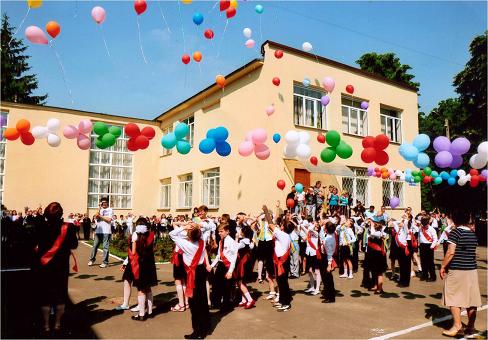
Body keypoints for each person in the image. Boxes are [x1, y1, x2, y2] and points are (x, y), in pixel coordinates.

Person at [35, 202, 78, 335]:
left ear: (46, 213)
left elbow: (35, 243)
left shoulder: (41, 226)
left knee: (45, 296)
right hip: (61, 266)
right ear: (61, 213)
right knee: (60, 295)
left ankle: (46, 325)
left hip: (45, 266)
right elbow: (74, 245)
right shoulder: (68, 227)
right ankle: (58, 324)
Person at [440, 210, 481, 338]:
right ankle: (471, 327)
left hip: (458, 269)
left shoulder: (455, 232)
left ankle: (457, 326)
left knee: (453, 297)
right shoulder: (472, 234)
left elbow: (450, 252)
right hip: (472, 270)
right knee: (471, 299)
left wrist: (443, 266)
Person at [170, 222, 210, 339]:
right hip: (201, 271)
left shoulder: (185, 244)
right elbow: (209, 227)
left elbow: (172, 234)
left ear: (189, 235)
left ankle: (197, 332)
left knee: (194, 303)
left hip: (192, 274)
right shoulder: (201, 241)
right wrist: (197, 226)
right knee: (202, 300)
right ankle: (205, 327)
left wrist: (184, 226)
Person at [129, 218, 157, 321]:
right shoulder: (151, 235)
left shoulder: (136, 236)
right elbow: (153, 247)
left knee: (141, 290)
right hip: (150, 264)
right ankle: (150, 312)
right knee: (148, 288)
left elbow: (133, 252)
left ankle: (141, 314)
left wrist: (133, 241)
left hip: (140, 265)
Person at [210, 223, 238, 313]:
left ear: (227, 231)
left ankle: (226, 306)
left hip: (228, 266)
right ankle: (216, 303)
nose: (219, 233)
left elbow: (234, 258)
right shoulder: (221, 241)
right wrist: (211, 265)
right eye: (218, 232)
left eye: (221, 231)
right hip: (221, 265)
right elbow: (218, 256)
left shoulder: (231, 242)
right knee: (216, 285)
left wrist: (230, 271)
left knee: (226, 287)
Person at [88, 198, 113, 268]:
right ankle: (92, 260)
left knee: (105, 247)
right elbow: (96, 216)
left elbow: (109, 219)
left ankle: (105, 262)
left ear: (107, 203)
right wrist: (99, 208)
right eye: (102, 203)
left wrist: (100, 216)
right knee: (94, 246)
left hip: (106, 231)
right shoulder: (100, 210)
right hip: (98, 231)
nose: (103, 204)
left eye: (105, 202)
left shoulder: (110, 210)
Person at [235, 225, 256, 309]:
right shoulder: (250, 241)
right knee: (242, 282)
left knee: (239, 282)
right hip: (246, 262)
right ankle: (244, 299)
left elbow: (235, 247)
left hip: (242, 263)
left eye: (241, 231)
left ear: (243, 233)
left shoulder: (243, 241)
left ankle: (250, 299)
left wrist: (236, 238)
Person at [320, 221, 338, 303]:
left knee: (327, 279)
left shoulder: (328, 239)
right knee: (326, 278)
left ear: (326, 229)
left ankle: (330, 297)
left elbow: (330, 253)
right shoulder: (332, 235)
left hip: (327, 258)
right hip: (326, 257)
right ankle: (328, 294)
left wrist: (329, 265)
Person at [418, 216, 438, 282]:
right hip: (422, 246)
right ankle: (425, 275)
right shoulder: (420, 229)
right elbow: (419, 236)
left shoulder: (431, 229)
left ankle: (433, 277)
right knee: (423, 262)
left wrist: (432, 247)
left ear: (428, 223)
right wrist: (419, 243)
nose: (424, 226)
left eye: (425, 224)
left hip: (429, 246)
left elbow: (435, 239)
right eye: (423, 224)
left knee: (430, 262)